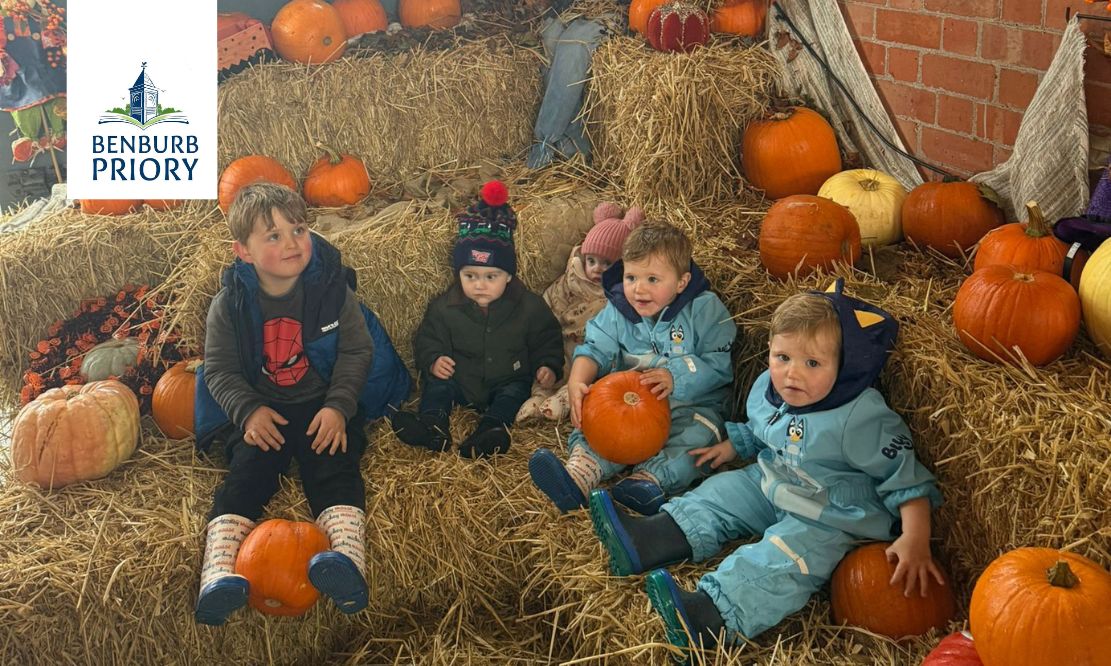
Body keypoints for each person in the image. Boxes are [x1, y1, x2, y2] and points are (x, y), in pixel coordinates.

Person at [587, 280, 944, 655]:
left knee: (779, 559)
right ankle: (649, 539)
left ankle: (708, 617)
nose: (792, 374)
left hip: (830, 515)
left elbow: (904, 475)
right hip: (775, 479)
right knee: (720, 493)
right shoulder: (770, 386)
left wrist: (916, 538)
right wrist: (733, 445)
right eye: (783, 357)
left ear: (842, 366)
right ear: (770, 351)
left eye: (813, 363)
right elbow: (766, 429)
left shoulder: (859, 416)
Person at [192, 182, 410, 626]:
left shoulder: (332, 291)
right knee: (247, 472)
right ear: (244, 251)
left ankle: (347, 564)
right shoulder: (230, 305)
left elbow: (356, 351)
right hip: (263, 409)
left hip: (320, 405)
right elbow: (219, 369)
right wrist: (247, 411)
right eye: (273, 236)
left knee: (334, 463)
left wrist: (339, 406)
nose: (292, 243)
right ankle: (217, 576)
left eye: (299, 229)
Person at [529, 220, 736, 516]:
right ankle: (578, 476)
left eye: (653, 279)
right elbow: (595, 347)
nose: (638, 289)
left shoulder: (705, 310)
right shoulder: (618, 310)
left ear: (681, 282)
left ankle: (648, 482)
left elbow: (718, 364)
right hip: (630, 399)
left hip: (691, 405)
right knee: (599, 421)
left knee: (697, 439)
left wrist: (675, 376)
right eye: (631, 277)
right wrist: (577, 380)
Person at [389, 180, 564, 458]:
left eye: (490, 277)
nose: (479, 285)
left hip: (507, 377)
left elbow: (548, 338)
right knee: (438, 386)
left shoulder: (529, 307)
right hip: (461, 377)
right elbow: (427, 337)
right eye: (470, 276)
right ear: (459, 273)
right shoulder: (446, 307)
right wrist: (434, 359)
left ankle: (490, 430)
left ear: (508, 275)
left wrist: (549, 365)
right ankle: (433, 424)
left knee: (514, 393)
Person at [516, 201, 644, 422]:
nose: (596, 268)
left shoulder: (620, 295)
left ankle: (563, 401)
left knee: (588, 377)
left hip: (594, 350)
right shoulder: (570, 282)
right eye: (591, 261)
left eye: (606, 263)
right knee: (551, 369)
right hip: (563, 342)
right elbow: (548, 307)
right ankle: (538, 399)